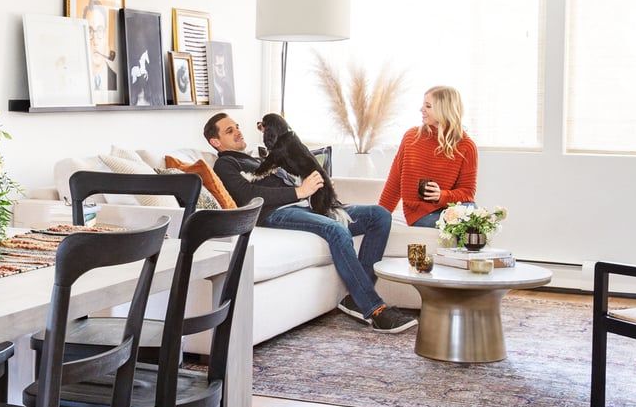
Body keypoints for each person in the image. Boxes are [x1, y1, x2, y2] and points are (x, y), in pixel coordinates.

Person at [204, 113, 417, 333]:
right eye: (230, 130)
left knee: (379, 215)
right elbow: (247, 194)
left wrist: (317, 183)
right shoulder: (225, 163)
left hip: (307, 205)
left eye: (237, 126)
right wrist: (299, 191)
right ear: (215, 142)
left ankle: (355, 299)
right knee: (336, 230)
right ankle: (375, 309)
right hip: (275, 213)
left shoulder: (257, 157)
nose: (238, 131)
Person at [379, 86, 478, 229]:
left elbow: (467, 192)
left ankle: (458, 251)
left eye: (428, 106)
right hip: (420, 214)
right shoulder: (412, 137)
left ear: (444, 110)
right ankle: (422, 251)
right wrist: (379, 215)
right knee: (469, 223)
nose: (421, 109)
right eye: (423, 105)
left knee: (473, 215)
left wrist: (441, 196)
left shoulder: (467, 146)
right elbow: (395, 181)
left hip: (451, 209)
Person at [82, 0, 117, 93]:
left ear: (106, 35)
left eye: (100, 30)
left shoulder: (116, 80)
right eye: (90, 31)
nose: (95, 41)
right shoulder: (76, 80)